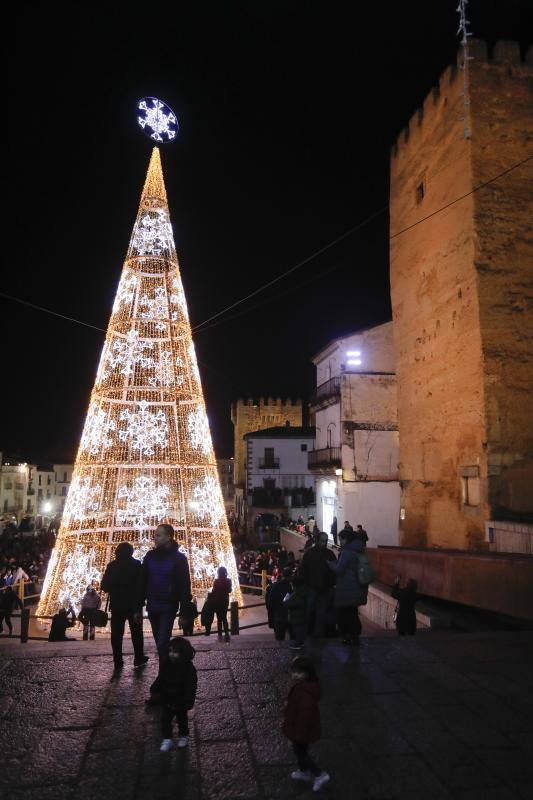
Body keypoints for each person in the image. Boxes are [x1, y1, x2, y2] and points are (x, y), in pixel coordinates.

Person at [140, 524, 192, 700]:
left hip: (168, 606)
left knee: (163, 644)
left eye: (159, 535)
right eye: (155, 535)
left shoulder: (179, 559)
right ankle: (167, 680)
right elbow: (143, 580)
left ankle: (162, 683)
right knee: (161, 646)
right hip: (153, 605)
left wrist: (184, 611)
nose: (155, 538)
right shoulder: (150, 557)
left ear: (169, 537)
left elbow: (185, 586)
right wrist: (138, 606)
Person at [282, 655, 330, 792]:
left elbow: (304, 717)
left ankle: (319, 774)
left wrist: (296, 736)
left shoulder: (304, 693)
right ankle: (303, 772)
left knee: (301, 752)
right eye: (293, 671)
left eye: (299, 672)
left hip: (301, 732)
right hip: (300, 729)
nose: (295, 675)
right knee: (299, 752)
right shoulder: (303, 688)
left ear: (307, 674)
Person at [101, 542, 148, 671]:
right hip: (134, 605)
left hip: (117, 605)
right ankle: (138, 657)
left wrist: (115, 586)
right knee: (137, 633)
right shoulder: (137, 565)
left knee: (116, 634)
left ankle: (118, 660)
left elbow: (104, 587)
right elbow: (141, 585)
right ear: (131, 552)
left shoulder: (112, 566)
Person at [328, 528, 367, 646]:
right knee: (352, 613)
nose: (340, 542)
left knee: (343, 614)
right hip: (357, 588)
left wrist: (329, 564)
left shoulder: (347, 552)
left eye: (341, 539)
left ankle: (346, 636)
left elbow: (339, 569)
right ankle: (355, 636)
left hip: (346, 588)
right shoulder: (359, 550)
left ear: (346, 539)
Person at [159, 636, 198, 752]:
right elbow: (161, 679)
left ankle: (183, 735)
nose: (171, 654)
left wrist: (189, 701)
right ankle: (167, 738)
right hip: (168, 698)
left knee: (182, 719)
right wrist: (159, 692)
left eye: (175, 652)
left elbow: (191, 686)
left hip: (181, 699)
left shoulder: (188, 668)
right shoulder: (166, 664)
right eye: (170, 651)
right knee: (165, 719)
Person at [300, 532, 336, 638]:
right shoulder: (310, 553)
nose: (324, 543)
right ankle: (310, 631)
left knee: (321, 611)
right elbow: (303, 570)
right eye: (322, 541)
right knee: (310, 610)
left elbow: (333, 571)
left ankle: (318, 633)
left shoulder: (329, 554)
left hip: (324, 588)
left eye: (325, 541)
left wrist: (330, 584)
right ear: (317, 540)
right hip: (312, 587)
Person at [266, 567, 293, 641]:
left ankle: (279, 649)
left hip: (277, 613)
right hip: (285, 613)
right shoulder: (289, 586)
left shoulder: (276, 585)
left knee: (279, 636)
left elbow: (270, 601)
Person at [284, 575, 310, 650]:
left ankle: (298, 644)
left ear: (295, 586)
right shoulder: (304, 592)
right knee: (301, 630)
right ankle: (300, 642)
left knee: (298, 631)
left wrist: (286, 599)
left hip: (296, 617)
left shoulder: (296, 595)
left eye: (292, 585)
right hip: (303, 616)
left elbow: (287, 603)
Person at [211, 566, 231, 642]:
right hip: (225, 601)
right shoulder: (228, 581)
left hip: (217, 601)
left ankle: (219, 633)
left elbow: (213, 591)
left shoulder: (216, 581)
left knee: (219, 618)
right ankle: (226, 633)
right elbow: (229, 590)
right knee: (224, 617)